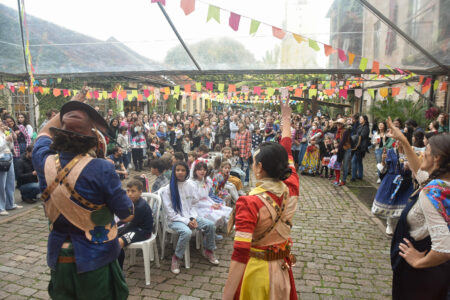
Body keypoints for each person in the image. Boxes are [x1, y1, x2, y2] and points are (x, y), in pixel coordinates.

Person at [32, 90, 134, 299]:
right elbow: (126, 214)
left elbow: (42, 135)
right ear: (91, 138)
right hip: (95, 256)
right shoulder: (103, 168)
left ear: (60, 134)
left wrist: (67, 109)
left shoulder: (44, 161)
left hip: (59, 253)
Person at [223, 98, 299, 300]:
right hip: (283, 270)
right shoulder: (291, 188)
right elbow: (286, 148)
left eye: (254, 162)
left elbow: (240, 255)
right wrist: (286, 117)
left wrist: (227, 296)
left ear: (259, 168)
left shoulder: (249, 203)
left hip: (257, 275)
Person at [387, 118, 450, 299]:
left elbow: (444, 248)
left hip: (420, 278)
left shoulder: (431, 194)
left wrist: (418, 262)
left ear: (437, 158)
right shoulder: (441, 185)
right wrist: (405, 142)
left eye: (426, 151)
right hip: (436, 274)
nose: (422, 154)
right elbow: (420, 173)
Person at [160, 161, 219, 274]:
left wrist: (192, 218)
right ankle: (176, 258)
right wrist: (187, 221)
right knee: (186, 232)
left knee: (210, 225)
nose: (180, 172)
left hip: (191, 216)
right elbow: (171, 213)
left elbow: (194, 203)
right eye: (177, 170)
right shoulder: (168, 189)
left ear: (187, 172)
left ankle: (209, 250)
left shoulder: (191, 185)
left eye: (183, 170)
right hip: (175, 220)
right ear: (174, 171)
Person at [371, 140, 414, 235]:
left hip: (405, 182)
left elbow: (415, 167)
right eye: (397, 141)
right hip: (391, 181)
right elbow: (383, 169)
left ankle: (400, 226)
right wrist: (382, 160)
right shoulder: (391, 152)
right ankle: (389, 224)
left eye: (400, 141)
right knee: (391, 202)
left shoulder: (410, 153)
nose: (398, 143)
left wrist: (409, 167)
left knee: (403, 203)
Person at [117, 180, 153, 269]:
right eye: (128, 191)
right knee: (111, 236)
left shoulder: (140, 206)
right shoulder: (131, 202)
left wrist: (118, 233)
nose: (129, 194)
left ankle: (119, 271)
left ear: (140, 192)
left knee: (117, 243)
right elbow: (125, 219)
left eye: (133, 191)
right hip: (133, 227)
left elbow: (131, 225)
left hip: (142, 232)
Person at [189, 161, 232, 230]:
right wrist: (211, 205)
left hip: (206, 203)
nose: (202, 172)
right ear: (195, 171)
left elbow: (206, 196)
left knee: (221, 208)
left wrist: (213, 203)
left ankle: (216, 229)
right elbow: (194, 201)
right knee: (214, 213)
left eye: (204, 170)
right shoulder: (192, 184)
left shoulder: (205, 181)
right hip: (198, 207)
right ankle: (211, 231)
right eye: (200, 170)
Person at [0, 123, 21, 216]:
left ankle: (10, 203)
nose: (1, 124)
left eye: (1, 122)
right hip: (1, 159)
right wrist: (5, 140)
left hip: (9, 157)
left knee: (10, 182)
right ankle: (1, 207)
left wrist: (10, 139)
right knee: (1, 184)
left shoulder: (4, 133)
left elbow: (11, 147)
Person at [351, 115, 370, 181]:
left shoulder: (366, 127)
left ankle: (353, 177)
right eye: (360, 118)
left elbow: (362, 136)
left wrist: (355, 137)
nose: (360, 119)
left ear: (365, 120)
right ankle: (360, 176)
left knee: (354, 161)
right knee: (359, 161)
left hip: (361, 146)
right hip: (357, 145)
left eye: (361, 118)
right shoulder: (359, 126)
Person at [234, 120, 252, 186]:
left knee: (246, 166)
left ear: (243, 124)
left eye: (240, 123)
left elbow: (249, 142)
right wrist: (235, 150)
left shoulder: (247, 132)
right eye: (238, 123)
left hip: (245, 152)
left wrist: (248, 152)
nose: (238, 124)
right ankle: (241, 179)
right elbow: (235, 141)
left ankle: (246, 179)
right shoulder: (237, 132)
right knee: (240, 166)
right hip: (238, 152)